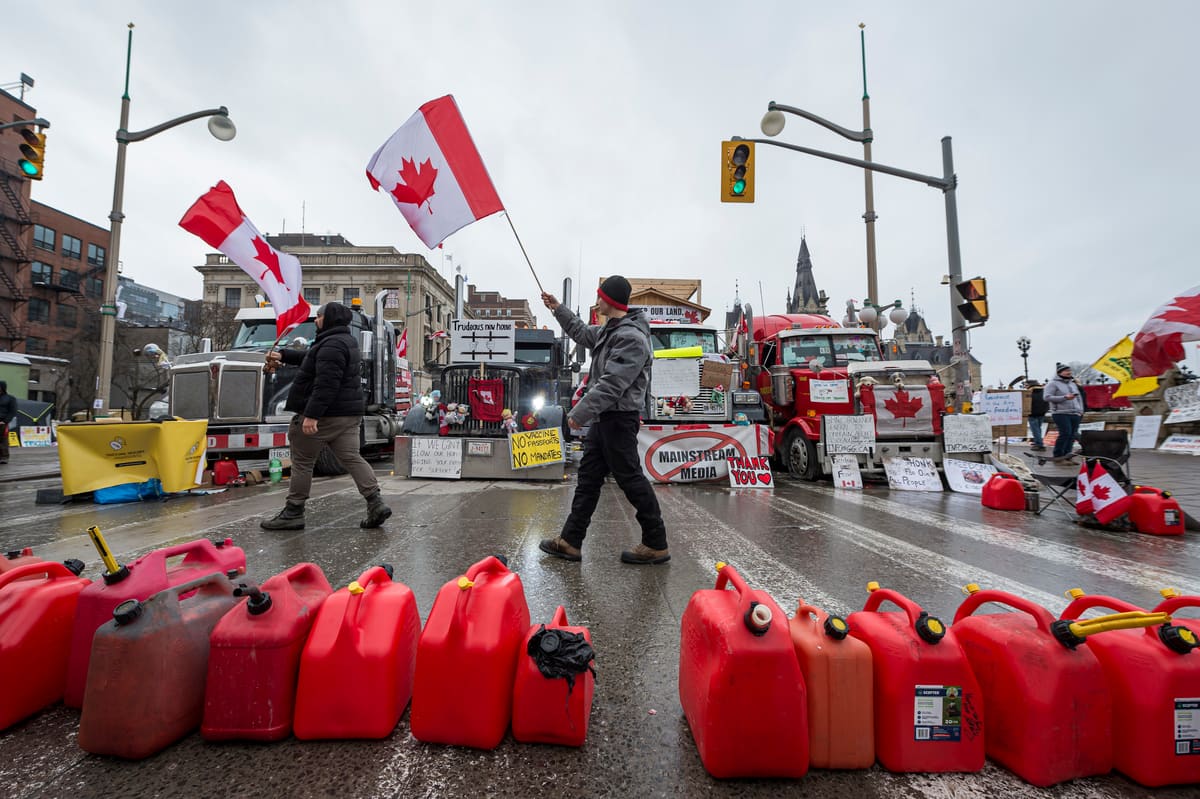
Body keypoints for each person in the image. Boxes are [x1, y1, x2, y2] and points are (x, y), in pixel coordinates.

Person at [538, 275, 670, 565]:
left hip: (619, 419)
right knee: (588, 478)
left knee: (631, 479)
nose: (596, 303)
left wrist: (578, 414)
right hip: (605, 419)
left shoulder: (631, 338)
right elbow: (581, 332)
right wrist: (557, 308)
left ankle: (656, 542)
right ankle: (571, 541)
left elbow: (612, 384)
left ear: (610, 301)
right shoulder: (611, 329)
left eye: (599, 298)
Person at [259, 302, 392, 530]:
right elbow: (311, 358)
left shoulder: (331, 345)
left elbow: (326, 384)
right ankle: (375, 502)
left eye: (318, 316)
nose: (316, 320)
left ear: (328, 318)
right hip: (348, 415)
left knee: (302, 462)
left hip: (327, 415)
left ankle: (294, 511)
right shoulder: (342, 340)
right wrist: (282, 354)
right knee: (351, 457)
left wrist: (311, 415)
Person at [1043, 363, 1084, 459]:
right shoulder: (1053, 383)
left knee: (1072, 435)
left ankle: (1067, 455)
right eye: (1066, 371)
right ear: (1059, 372)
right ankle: (1058, 455)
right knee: (1065, 433)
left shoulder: (1072, 384)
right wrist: (1064, 397)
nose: (1069, 372)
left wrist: (1080, 410)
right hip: (1060, 413)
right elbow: (1047, 397)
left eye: (1069, 371)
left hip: (1075, 413)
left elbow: (1079, 398)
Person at [1026, 380, 1049, 452]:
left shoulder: (1029, 392)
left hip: (1032, 413)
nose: (1025, 386)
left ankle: (1039, 445)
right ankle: (1037, 441)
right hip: (1042, 413)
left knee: (1035, 430)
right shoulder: (1044, 391)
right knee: (1038, 429)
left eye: (1026, 385)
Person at [0, 380, 16, 465]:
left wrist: (5, 421)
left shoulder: (10, 398)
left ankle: (4, 457)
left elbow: (12, 411)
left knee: (3, 440)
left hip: (2, 422)